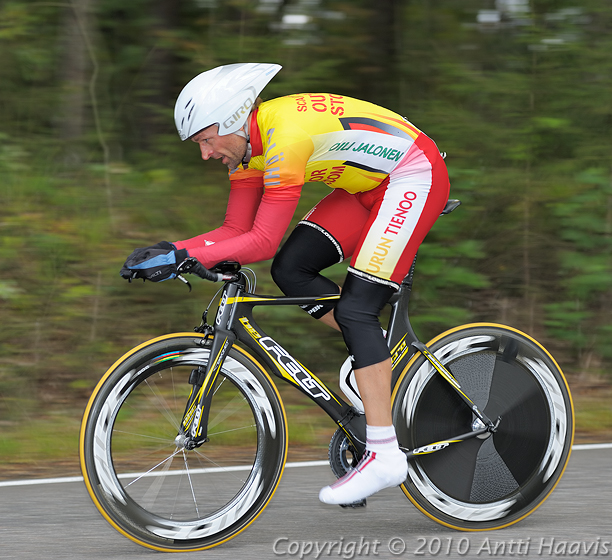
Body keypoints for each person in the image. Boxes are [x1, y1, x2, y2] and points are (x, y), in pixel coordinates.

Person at [120, 63, 450, 505]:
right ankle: (376, 356)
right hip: (366, 188)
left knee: (356, 310)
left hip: (414, 176)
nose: (204, 154)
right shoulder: (248, 151)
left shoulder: (284, 141)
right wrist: (171, 249)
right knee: (291, 270)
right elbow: (235, 229)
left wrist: (185, 257)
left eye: (205, 140)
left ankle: (386, 455)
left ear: (233, 118)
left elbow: (262, 240)